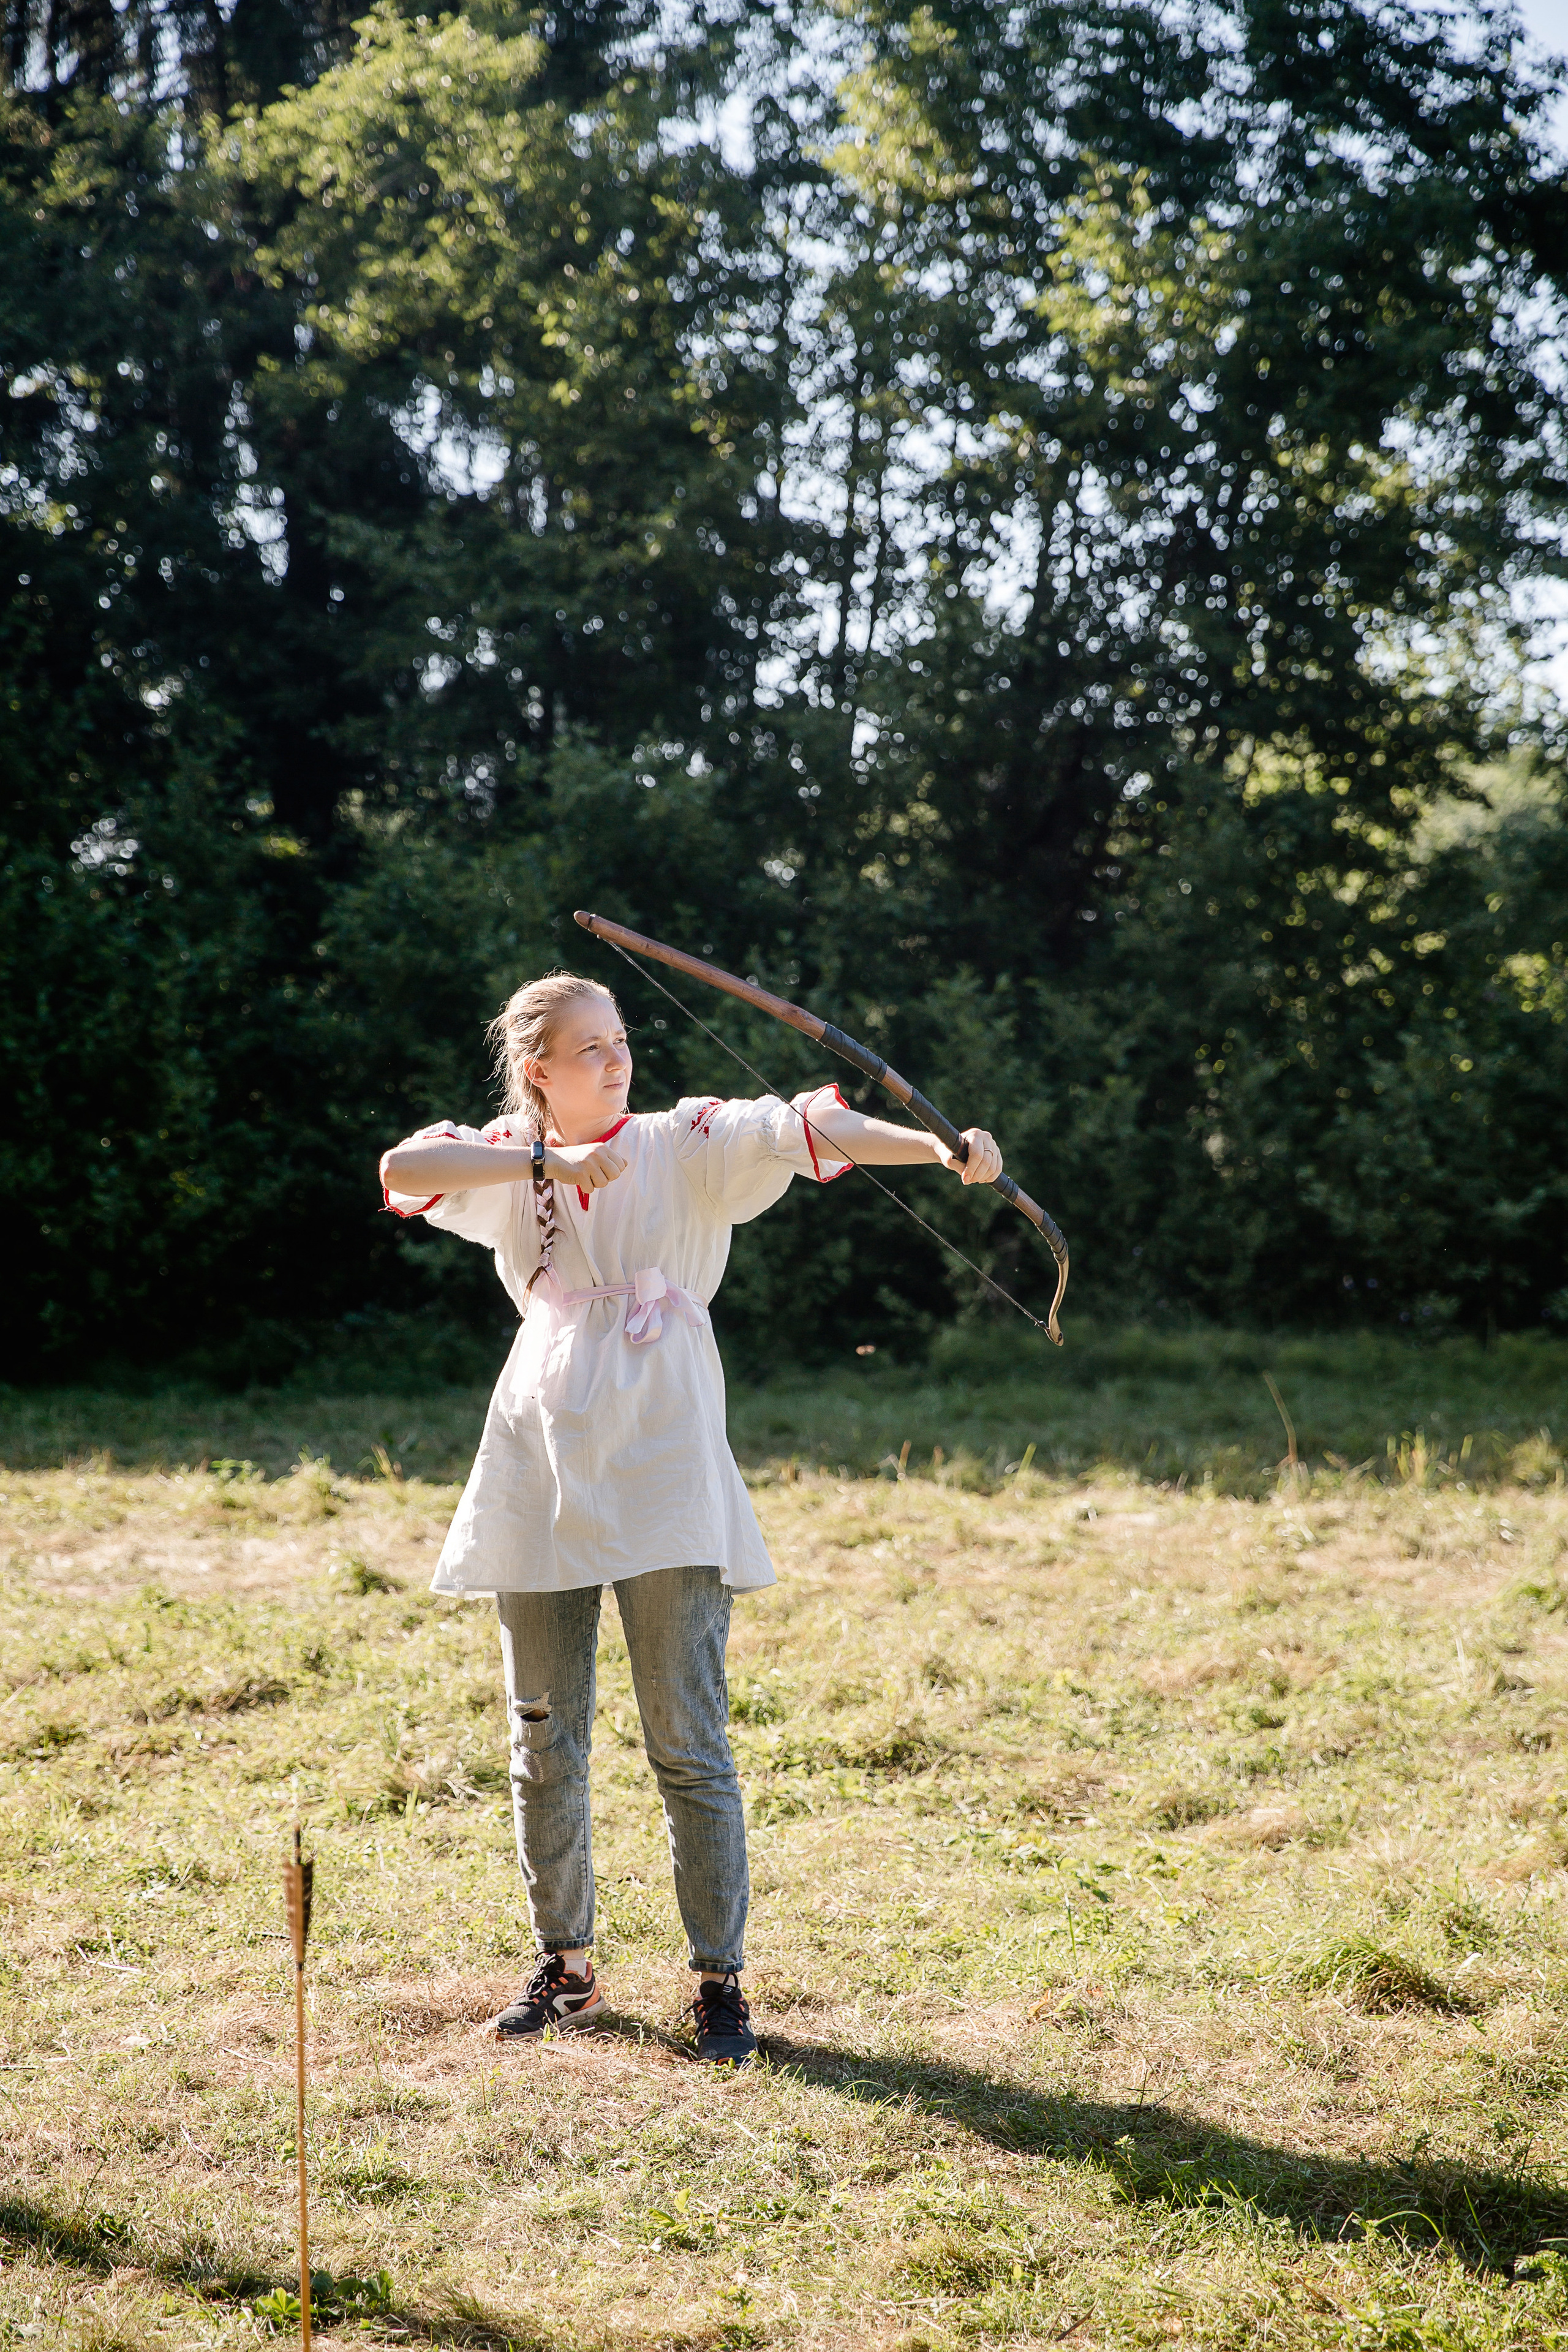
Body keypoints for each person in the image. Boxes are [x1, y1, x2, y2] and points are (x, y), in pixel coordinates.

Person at [379, 970, 1002, 2065]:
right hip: (541, 1464)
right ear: (538, 1073)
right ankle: (563, 1966)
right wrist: (547, 1159)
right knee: (541, 1736)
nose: (618, 1061)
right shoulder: (505, 1160)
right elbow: (401, 1169)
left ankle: (719, 1985)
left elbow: (807, 1126)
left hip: (666, 1464)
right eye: (590, 1049)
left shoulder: (685, 1141)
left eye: (621, 1041)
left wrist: (940, 1148)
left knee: (688, 1742)